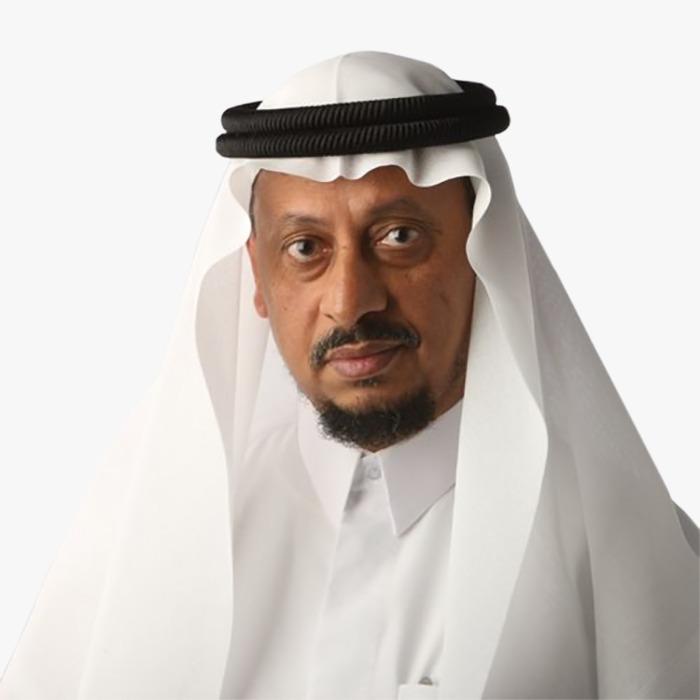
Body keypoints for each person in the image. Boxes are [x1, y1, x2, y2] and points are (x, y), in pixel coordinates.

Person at [1, 52, 698, 700]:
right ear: (257, 278)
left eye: (399, 237)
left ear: (484, 254)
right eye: (305, 247)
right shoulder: (141, 540)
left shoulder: (621, 549)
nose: (351, 301)